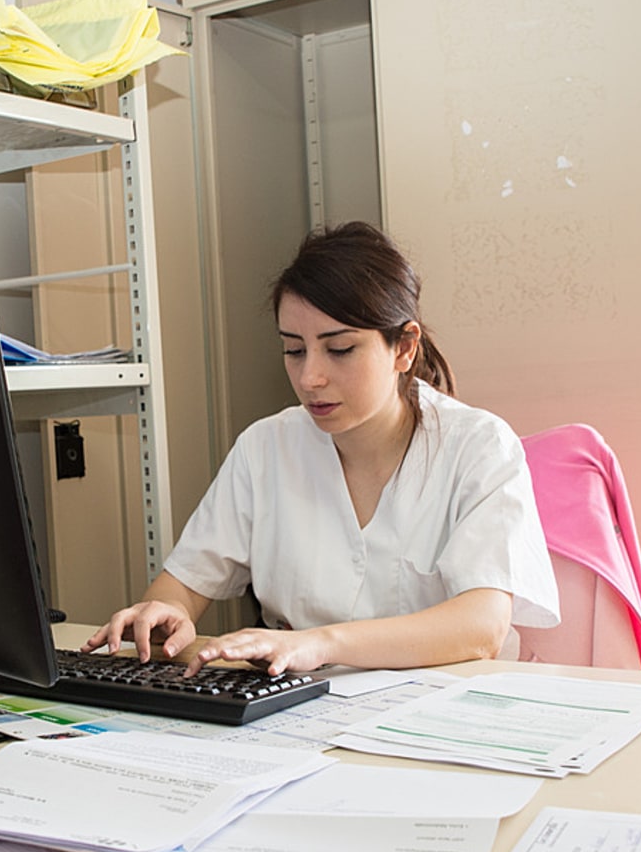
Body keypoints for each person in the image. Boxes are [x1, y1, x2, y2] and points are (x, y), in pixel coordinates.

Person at [84, 221, 559, 676]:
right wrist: (167, 612)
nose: (310, 377)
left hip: (447, 713)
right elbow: (184, 584)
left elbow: (482, 626)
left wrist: (317, 643)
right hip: (304, 710)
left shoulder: (478, 446)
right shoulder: (265, 447)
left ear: (404, 347)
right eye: (294, 350)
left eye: (340, 349)